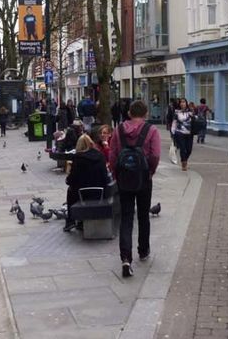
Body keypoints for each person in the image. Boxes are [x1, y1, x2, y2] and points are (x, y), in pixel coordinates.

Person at [109, 100, 161, 278]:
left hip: (124, 179)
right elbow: (154, 155)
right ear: (146, 113)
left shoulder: (119, 130)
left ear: (129, 113)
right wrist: (150, 171)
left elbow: (113, 155)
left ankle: (125, 257)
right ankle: (143, 249)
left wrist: (116, 173)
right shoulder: (151, 130)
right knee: (143, 214)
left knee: (126, 217)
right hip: (144, 178)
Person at [64, 134, 113, 232]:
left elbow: (72, 179)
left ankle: (70, 221)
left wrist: (68, 179)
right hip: (100, 192)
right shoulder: (100, 156)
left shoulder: (78, 158)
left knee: (70, 191)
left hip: (83, 193)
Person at [171, 99, 193, 171]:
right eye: (181, 102)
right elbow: (174, 123)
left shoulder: (190, 112)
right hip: (179, 133)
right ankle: (184, 163)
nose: (183, 104)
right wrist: (173, 132)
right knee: (183, 149)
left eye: (184, 102)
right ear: (179, 104)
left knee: (189, 149)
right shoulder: (176, 112)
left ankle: (185, 160)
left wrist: (194, 117)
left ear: (186, 103)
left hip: (189, 133)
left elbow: (195, 120)